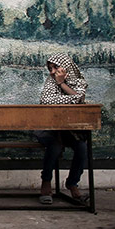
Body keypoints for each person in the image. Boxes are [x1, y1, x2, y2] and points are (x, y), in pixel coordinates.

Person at [36, 53, 89, 204]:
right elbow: (46, 101)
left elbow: (81, 98)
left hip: (68, 129)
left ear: (66, 66)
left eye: (56, 67)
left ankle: (72, 183)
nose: (52, 72)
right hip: (46, 127)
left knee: (81, 147)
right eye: (50, 68)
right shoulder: (50, 81)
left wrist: (61, 84)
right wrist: (74, 98)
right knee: (54, 145)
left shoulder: (79, 81)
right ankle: (46, 183)